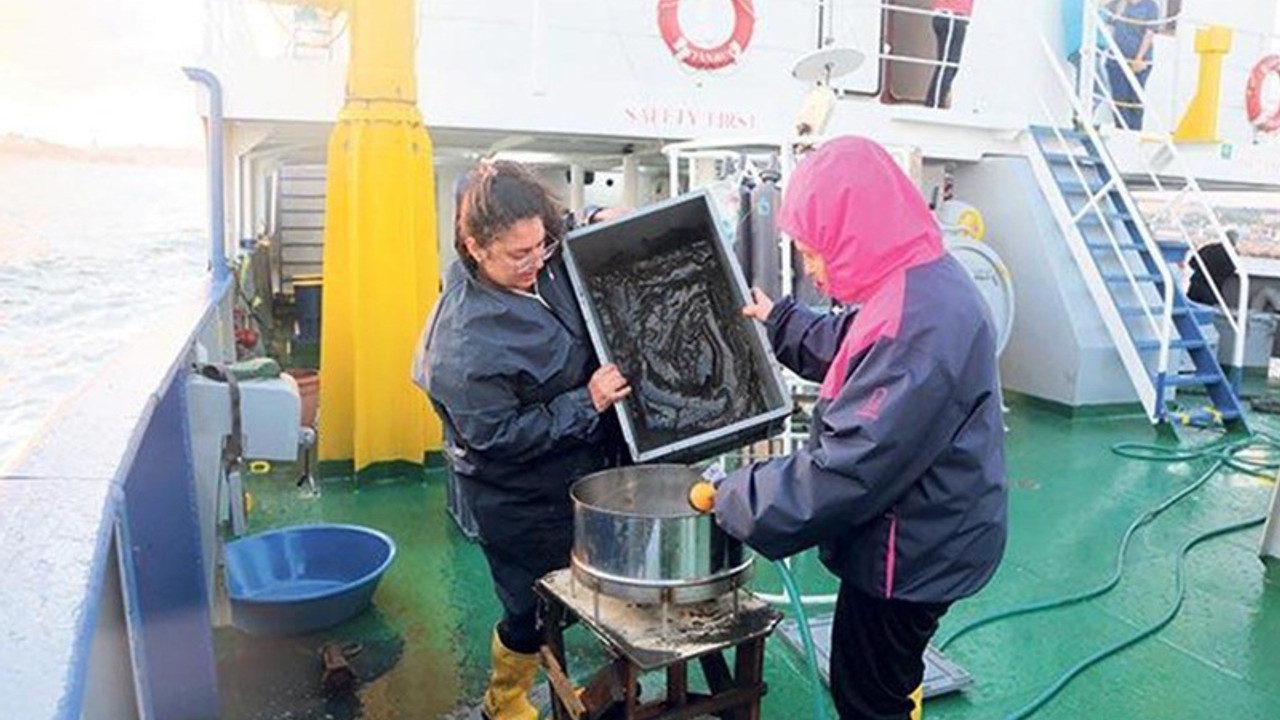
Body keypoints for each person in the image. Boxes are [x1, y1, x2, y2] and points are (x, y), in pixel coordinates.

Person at [701, 137, 1008, 720]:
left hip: (912, 554)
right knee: (891, 676)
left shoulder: (921, 324)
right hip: (931, 529)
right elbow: (854, 346)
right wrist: (782, 320)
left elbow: (846, 469)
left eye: (815, 253)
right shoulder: (915, 280)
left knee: (867, 694)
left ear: (857, 231)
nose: (812, 267)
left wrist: (734, 494)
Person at [414, 161, 630, 720]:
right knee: (530, 604)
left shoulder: (541, 253)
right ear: (475, 248)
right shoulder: (464, 344)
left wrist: (593, 220)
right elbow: (497, 435)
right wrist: (589, 402)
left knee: (603, 580)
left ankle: (608, 687)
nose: (537, 262)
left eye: (543, 245)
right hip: (516, 492)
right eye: (519, 255)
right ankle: (505, 699)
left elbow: (555, 242)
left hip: (581, 462)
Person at [1104, 0, 1159, 130]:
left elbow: (1149, 34)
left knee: (1135, 99)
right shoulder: (1117, 3)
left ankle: (1134, 135)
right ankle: (1122, 134)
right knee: (1119, 98)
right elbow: (1102, 14)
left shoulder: (1150, 6)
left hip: (1140, 60)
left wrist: (1139, 58)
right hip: (1116, 59)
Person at [925, 0, 974, 109]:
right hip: (951, 15)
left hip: (953, 16)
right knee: (948, 65)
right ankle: (933, 104)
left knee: (950, 65)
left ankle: (937, 101)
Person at [1186, 229, 1240, 307]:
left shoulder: (1208, 248)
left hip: (1196, 285)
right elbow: (1229, 271)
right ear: (1235, 241)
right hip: (1212, 289)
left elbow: (1191, 262)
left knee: (1191, 308)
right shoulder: (1232, 255)